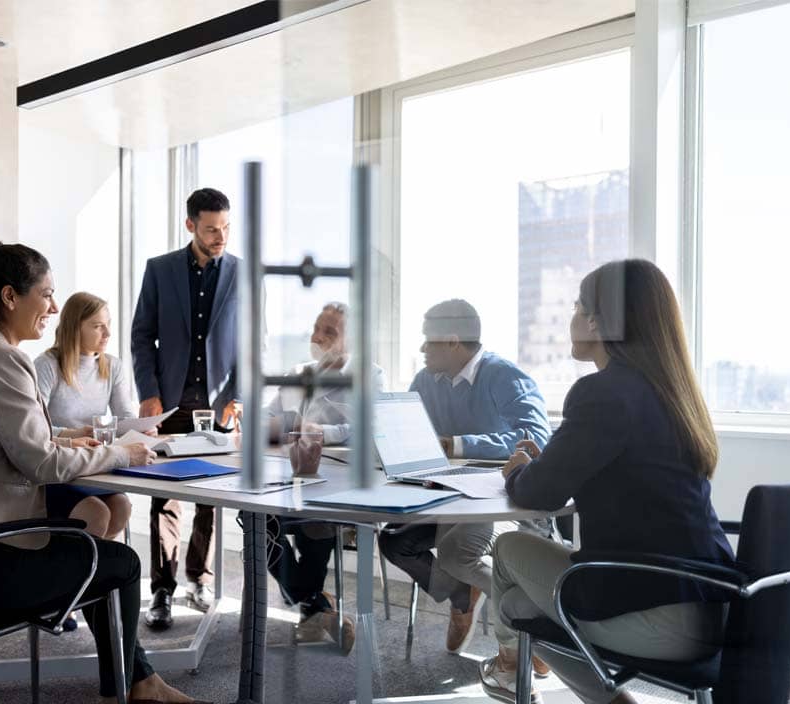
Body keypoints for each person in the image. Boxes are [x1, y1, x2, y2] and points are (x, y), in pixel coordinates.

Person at [0, 231, 204, 704]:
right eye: (47, 294)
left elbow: (12, 438)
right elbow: (41, 463)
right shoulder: (2, 361)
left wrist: (69, 438)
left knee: (94, 546)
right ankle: (133, 687)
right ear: (10, 297)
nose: (53, 307)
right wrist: (122, 454)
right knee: (119, 563)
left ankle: (138, 681)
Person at [479, 259, 736, 704]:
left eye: (577, 308)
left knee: (506, 554)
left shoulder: (603, 392)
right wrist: (548, 463)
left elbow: (539, 494)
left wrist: (517, 469)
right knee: (520, 602)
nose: (572, 319)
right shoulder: (673, 392)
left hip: (658, 614)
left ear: (597, 322)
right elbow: (614, 471)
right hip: (715, 604)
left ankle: (511, 668)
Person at [379, 299, 552, 658]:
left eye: (428, 340)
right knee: (393, 541)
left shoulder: (504, 376)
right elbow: (402, 429)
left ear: (452, 341)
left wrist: (458, 444)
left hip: (500, 500)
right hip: (448, 496)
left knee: (457, 553)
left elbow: (537, 438)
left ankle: (535, 629)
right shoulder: (426, 380)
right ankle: (462, 596)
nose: (422, 349)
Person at [131, 187, 241, 628]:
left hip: (219, 406)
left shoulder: (243, 274)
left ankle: (200, 578)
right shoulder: (159, 270)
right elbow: (142, 335)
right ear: (191, 225)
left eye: (226, 227)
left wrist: (240, 396)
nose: (221, 236)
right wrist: (148, 391)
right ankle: (162, 588)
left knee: (210, 498)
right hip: (170, 402)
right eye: (212, 229)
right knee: (165, 497)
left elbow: (254, 344)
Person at [254, 302, 386, 654]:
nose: (318, 336)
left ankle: (313, 606)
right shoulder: (299, 372)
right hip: (290, 479)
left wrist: (318, 431)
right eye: (316, 327)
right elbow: (266, 420)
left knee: (316, 519)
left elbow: (368, 427)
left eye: (330, 331)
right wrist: (282, 427)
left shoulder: (370, 376)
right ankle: (317, 604)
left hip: (338, 485)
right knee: (253, 519)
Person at [35, 291, 136, 540]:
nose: (108, 333)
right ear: (75, 328)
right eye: (98, 326)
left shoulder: (112, 366)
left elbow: (124, 418)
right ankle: (81, 562)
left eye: (108, 324)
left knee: (122, 506)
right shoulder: (47, 365)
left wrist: (143, 428)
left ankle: (98, 563)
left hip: (94, 467)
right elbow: (35, 428)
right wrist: (73, 434)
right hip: (60, 469)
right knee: (96, 513)